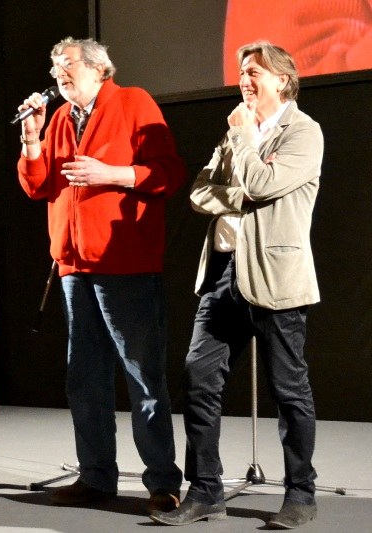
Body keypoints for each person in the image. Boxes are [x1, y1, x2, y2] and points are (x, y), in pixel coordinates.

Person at [151, 42, 322, 529]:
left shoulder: (304, 132)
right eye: (241, 72)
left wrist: (244, 140)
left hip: (275, 277)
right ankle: (205, 490)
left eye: (254, 72)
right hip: (222, 273)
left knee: (288, 390)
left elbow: (264, 184)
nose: (244, 80)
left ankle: (300, 496)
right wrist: (241, 178)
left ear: (283, 80)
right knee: (198, 379)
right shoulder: (234, 134)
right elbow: (201, 191)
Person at [16, 37, 185, 512]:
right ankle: (95, 476)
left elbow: (169, 172)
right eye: (53, 69)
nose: (58, 74)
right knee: (84, 378)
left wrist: (112, 174)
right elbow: (37, 186)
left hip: (125, 263)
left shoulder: (133, 102)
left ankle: (162, 483)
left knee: (142, 375)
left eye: (66, 65)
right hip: (73, 265)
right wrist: (31, 138)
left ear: (98, 68)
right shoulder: (57, 120)